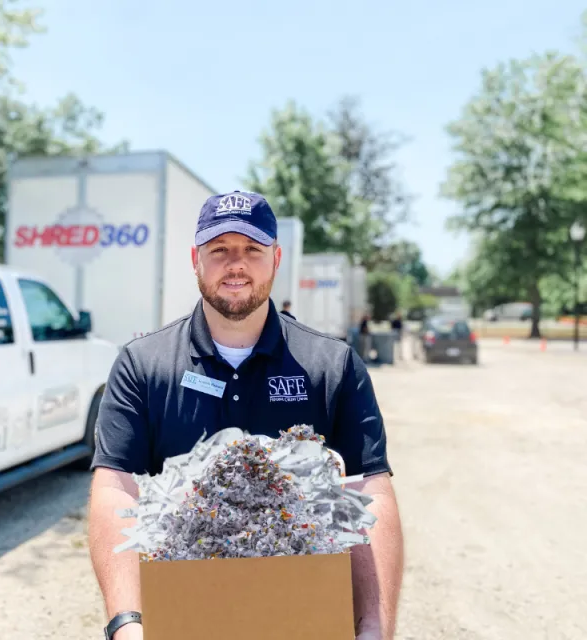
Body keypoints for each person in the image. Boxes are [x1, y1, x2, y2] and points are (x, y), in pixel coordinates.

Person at [88, 190, 404, 640]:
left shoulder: (332, 366)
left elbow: (369, 493)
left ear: (275, 258)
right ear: (195, 260)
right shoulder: (143, 364)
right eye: (219, 250)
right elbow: (116, 488)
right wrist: (126, 623)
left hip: (305, 618)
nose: (236, 264)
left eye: (252, 249)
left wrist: (374, 627)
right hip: (182, 618)